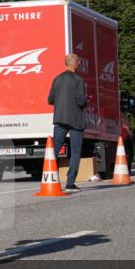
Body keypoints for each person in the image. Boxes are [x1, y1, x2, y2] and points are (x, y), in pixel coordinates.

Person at [47, 53, 88, 191]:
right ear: (74, 63)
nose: (79, 64)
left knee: (54, 151)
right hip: (75, 120)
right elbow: (81, 100)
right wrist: (87, 100)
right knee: (75, 151)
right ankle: (70, 183)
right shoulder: (78, 80)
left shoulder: (56, 79)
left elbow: (50, 100)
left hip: (59, 119)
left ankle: (50, 179)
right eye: (78, 62)